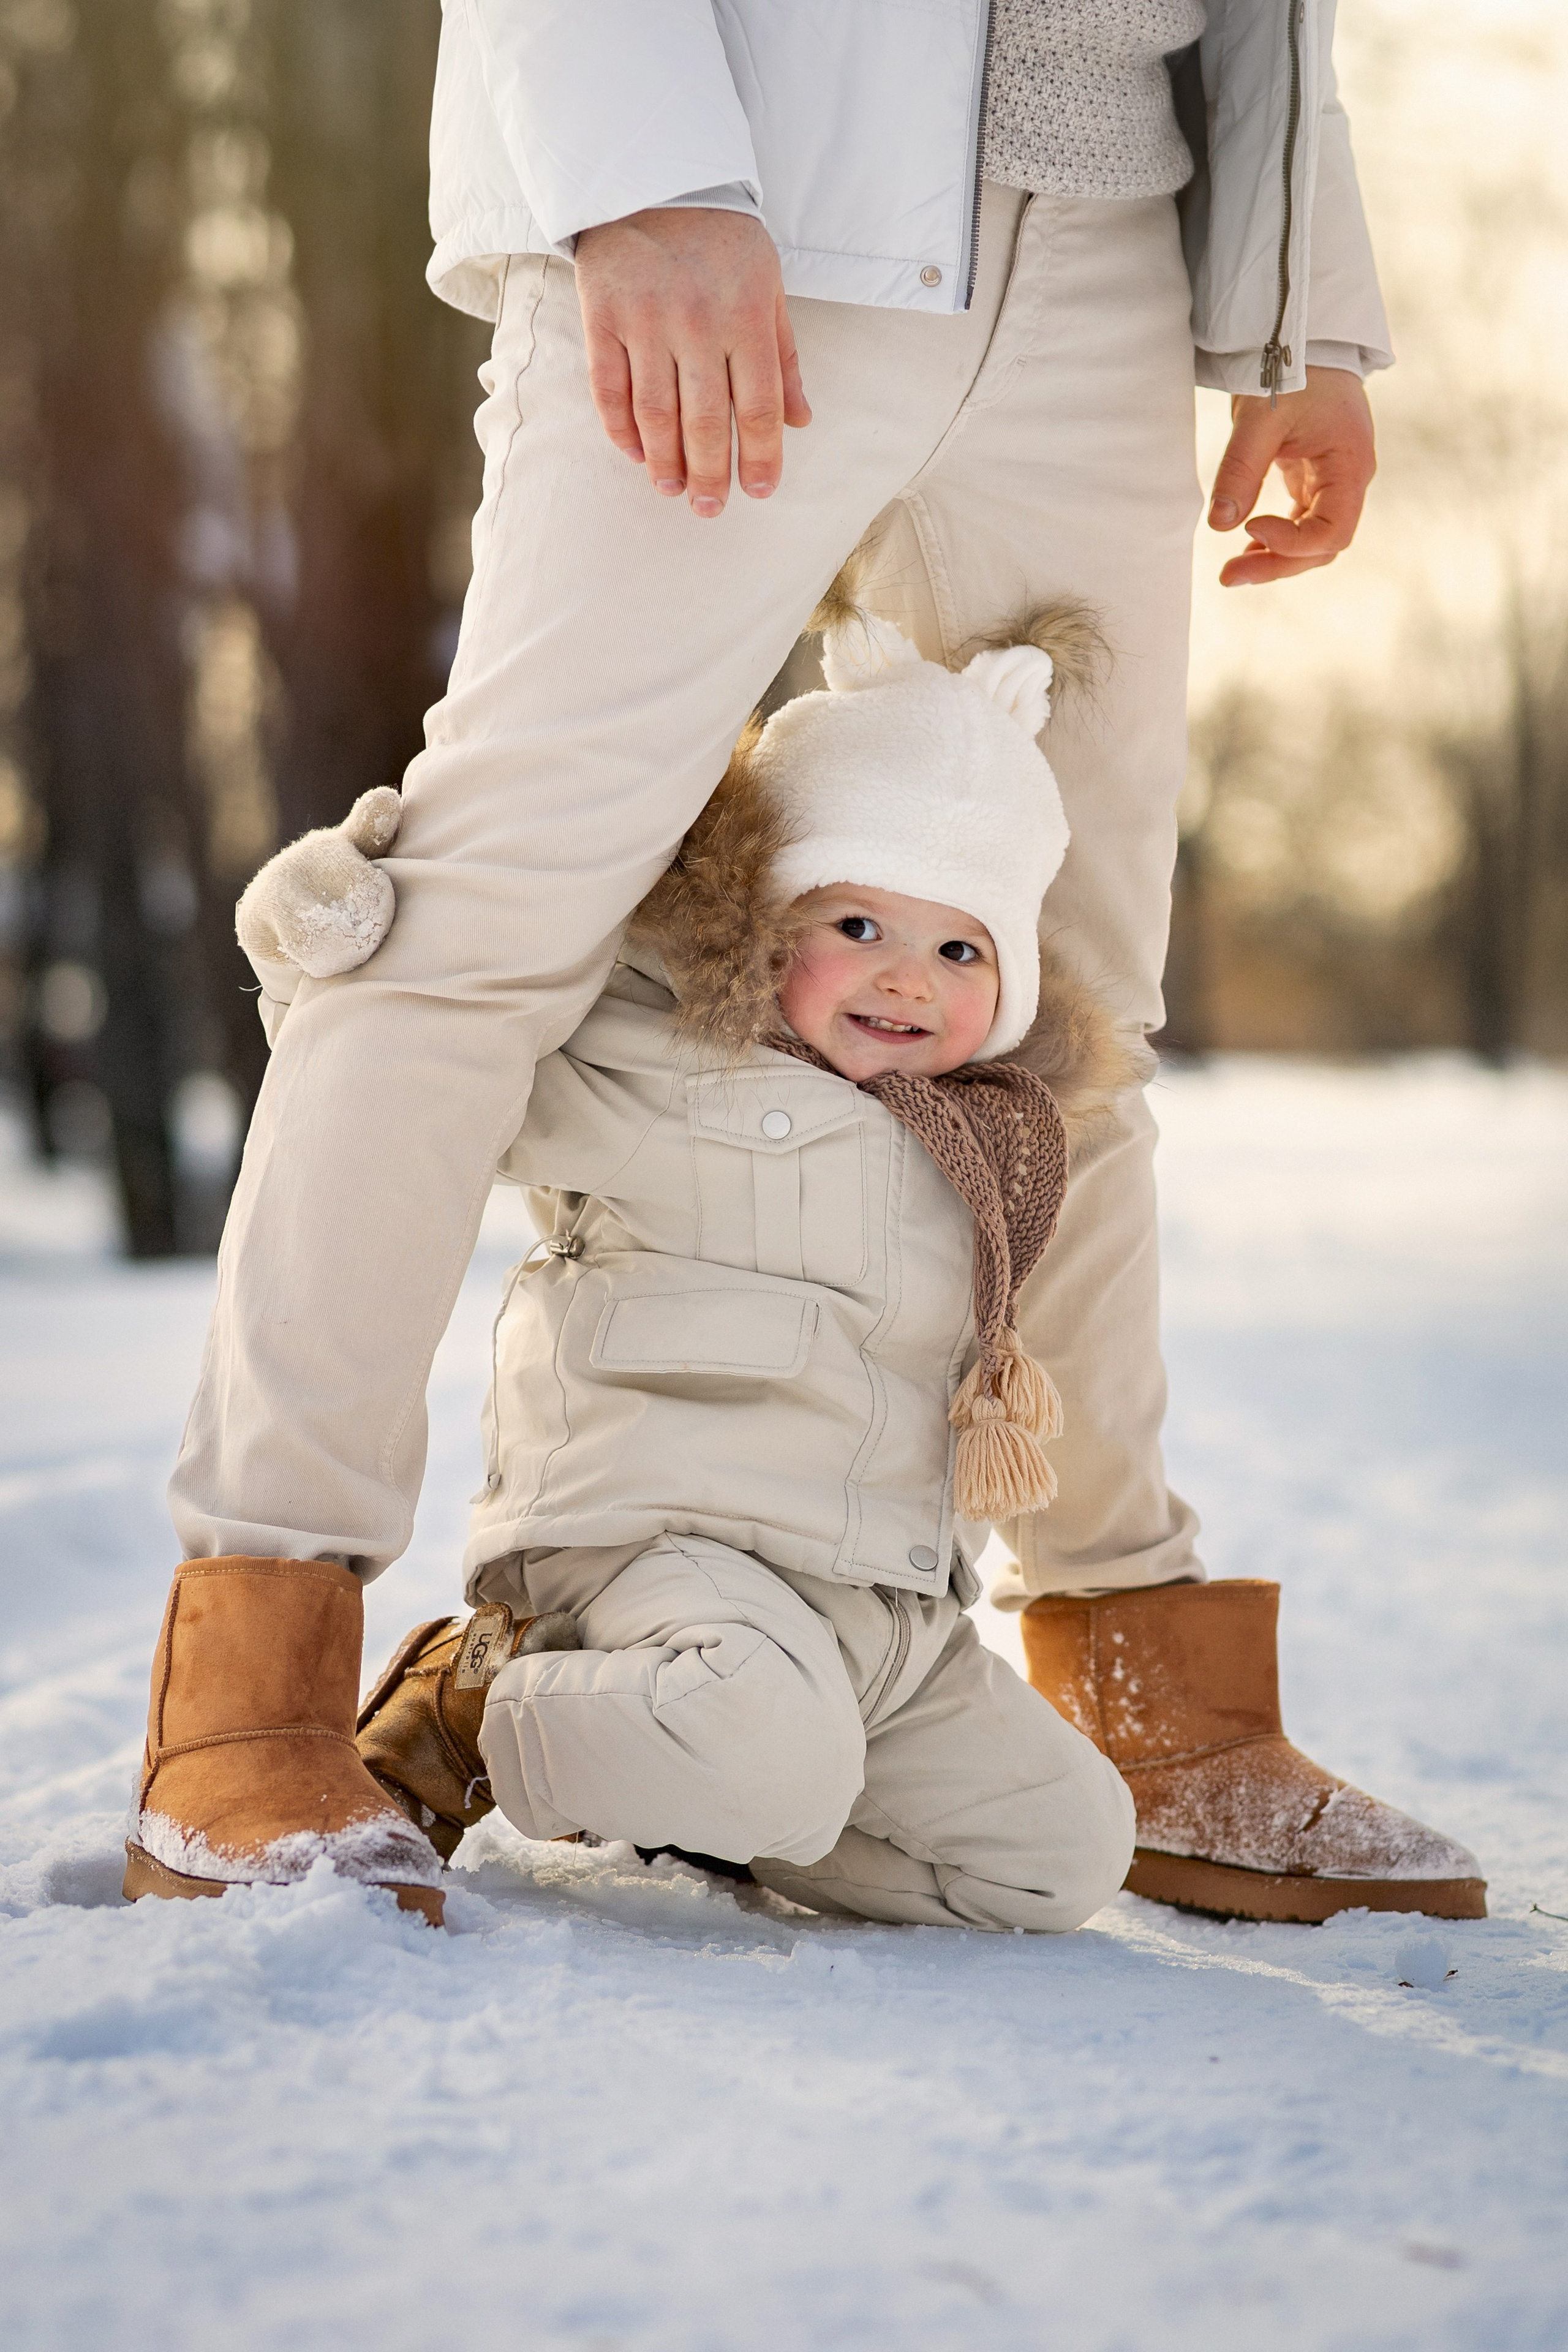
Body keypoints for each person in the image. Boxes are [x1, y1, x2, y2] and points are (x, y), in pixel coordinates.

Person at [125, 2, 1483, 1924]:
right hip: (756, 189)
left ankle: (1148, 1683)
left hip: (1118, 236)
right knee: (469, 925)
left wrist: (1298, 306)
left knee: (1067, 998)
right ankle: (250, 1689)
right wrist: (637, 170)